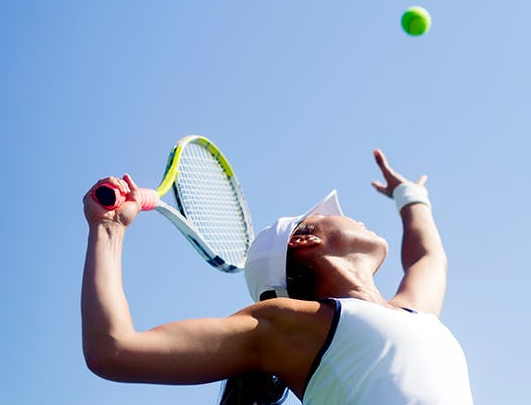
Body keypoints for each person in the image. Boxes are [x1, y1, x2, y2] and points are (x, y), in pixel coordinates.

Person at [81, 149, 473, 404]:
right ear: (305, 239)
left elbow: (427, 256)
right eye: (331, 213)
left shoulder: (413, 314)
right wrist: (109, 229)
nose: (352, 216)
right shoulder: (289, 326)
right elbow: (113, 350)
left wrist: (410, 198)